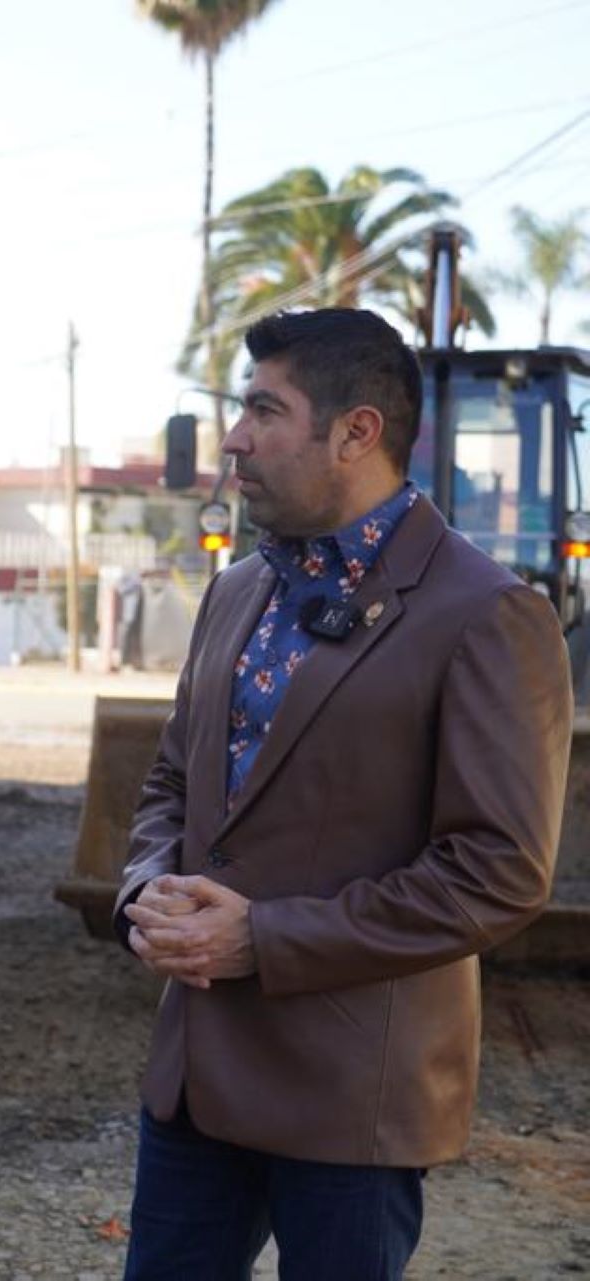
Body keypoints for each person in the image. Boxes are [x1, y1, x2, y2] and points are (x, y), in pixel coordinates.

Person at [115, 308, 570, 1280]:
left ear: (356, 432)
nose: (235, 438)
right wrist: (144, 888)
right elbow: (172, 782)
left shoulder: (487, 613)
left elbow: (498, 873)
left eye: (263, 412)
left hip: (352, 1102)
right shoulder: (236, 591)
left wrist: (263, 938)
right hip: (195, 1084)